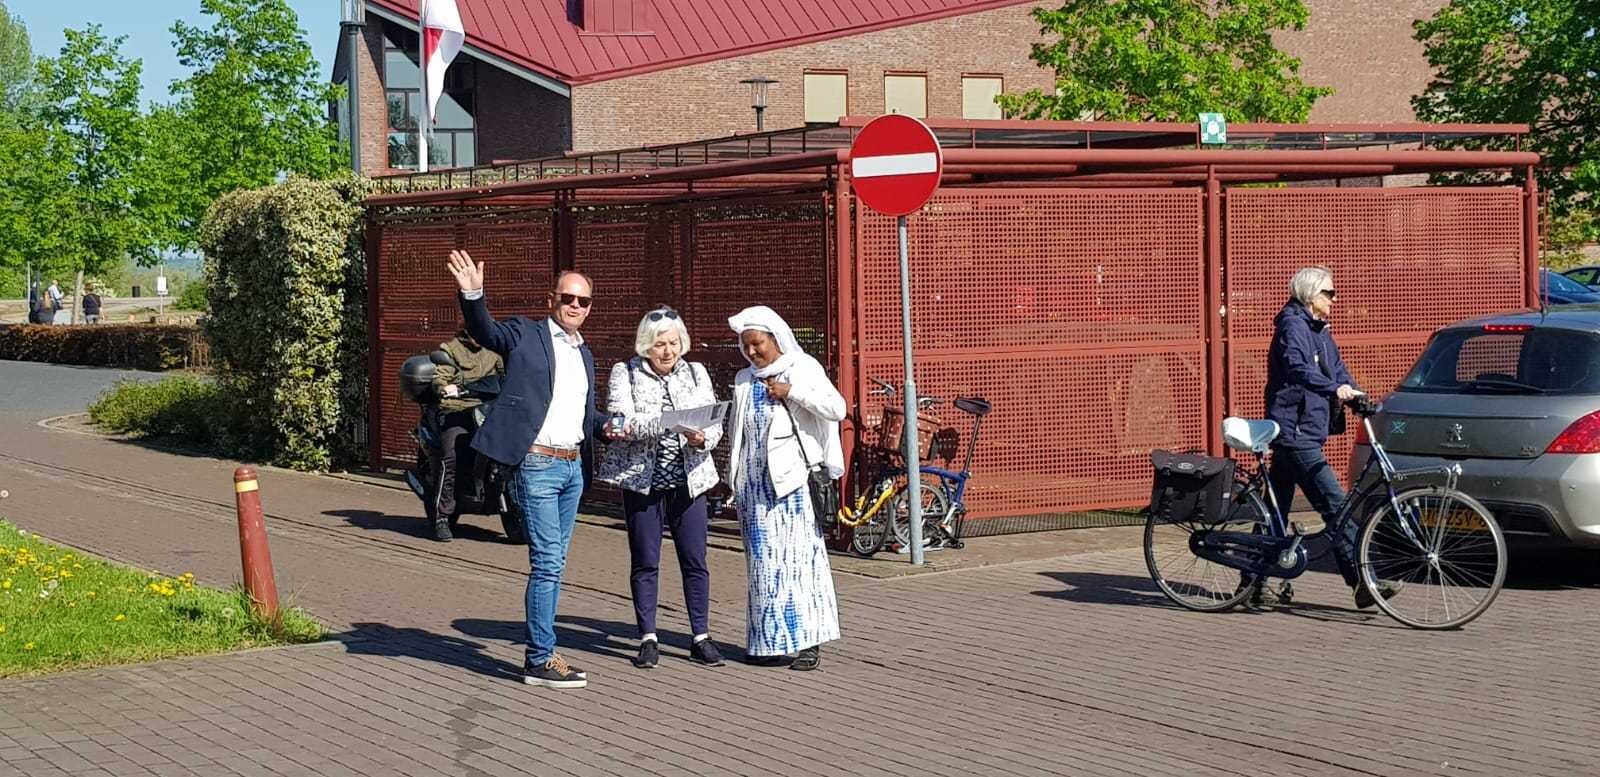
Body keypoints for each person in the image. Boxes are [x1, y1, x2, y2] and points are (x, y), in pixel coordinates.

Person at [446, 249, 622, 689]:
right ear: (552, 299)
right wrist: (473, 295)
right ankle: (539, 658)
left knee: (556, 563)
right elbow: (484, 331)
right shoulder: (526, 333)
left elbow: (587, 413)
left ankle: (540, 653)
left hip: (572, 469)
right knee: (546, 562)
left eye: (583, 301)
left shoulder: (585, 355)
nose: (575, 307)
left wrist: (608, 428)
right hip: (538, 464)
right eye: (568, 298)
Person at [598, 307, 725, 669]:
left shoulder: (696, 372)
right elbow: (621, 421)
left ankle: (700, 635)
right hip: (643, 480)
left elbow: (713, 420)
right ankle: (648, 637)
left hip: (691, 479)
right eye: (659, 345)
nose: (667, 351)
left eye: (672, 343)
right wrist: (668, 424)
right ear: (646, 346)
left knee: (695, 559)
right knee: (645, 560)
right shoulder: (626, 373)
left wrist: (703, 439)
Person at [1264, 266, 1393, 610]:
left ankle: (1253, 579)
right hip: (1295, 431)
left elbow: (1337, 370)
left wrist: (1357, 396)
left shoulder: (1320, 330)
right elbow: (1297, 368)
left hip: (1305, 429)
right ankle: (1364, 581)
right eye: (1329, 293)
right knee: (1336, 505)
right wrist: (1334, 388)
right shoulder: (1293, 326)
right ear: (1311, 295)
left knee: (1273, 508)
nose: (1335, 299)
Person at [725, 305, 844, 671]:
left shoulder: (802, 367)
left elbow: (835, 408)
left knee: (799, 562)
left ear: (775, 338)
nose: (753, 352)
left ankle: (809, 642)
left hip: (790, 482)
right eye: (746, 346)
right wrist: (735, 479)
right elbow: (739, 432)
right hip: (754, 486)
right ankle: (768, 641)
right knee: (763, 565)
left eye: (757, 343)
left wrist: (792, 392)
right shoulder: (746, 379)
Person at [427, 328, 504, 541]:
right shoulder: (450, 349)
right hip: (457, 410)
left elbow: (506, 373)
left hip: (486, 409)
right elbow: (440, 377)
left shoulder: (494, 349)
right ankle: (442, 516)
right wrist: (444, 387)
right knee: (451, 456)